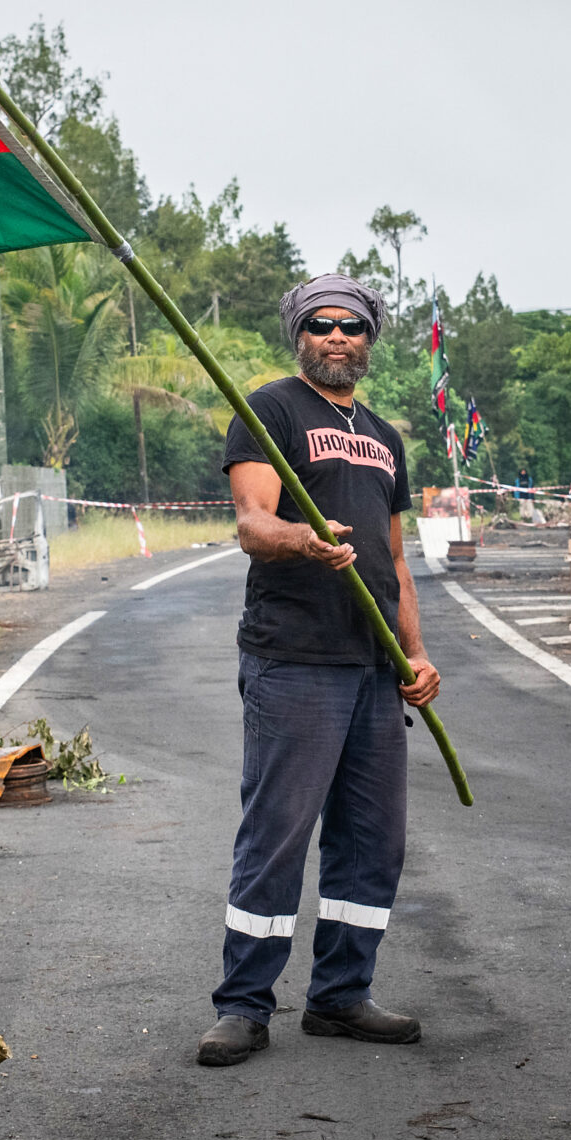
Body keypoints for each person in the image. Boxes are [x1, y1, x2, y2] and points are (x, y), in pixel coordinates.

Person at [198, 273, 443, 1069]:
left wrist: (415, 652)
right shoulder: (270, 410)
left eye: (352, 326)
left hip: (374, 666)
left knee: (372, 841)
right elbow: (252, 524)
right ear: (299, 334)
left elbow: (397, 560)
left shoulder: (384, 435)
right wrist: (303, 539)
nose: (338, 336)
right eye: (322, 324)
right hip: (295, 658)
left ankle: (341, 995)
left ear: (370, 339)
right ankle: (243, 1005)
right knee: (277, 836)